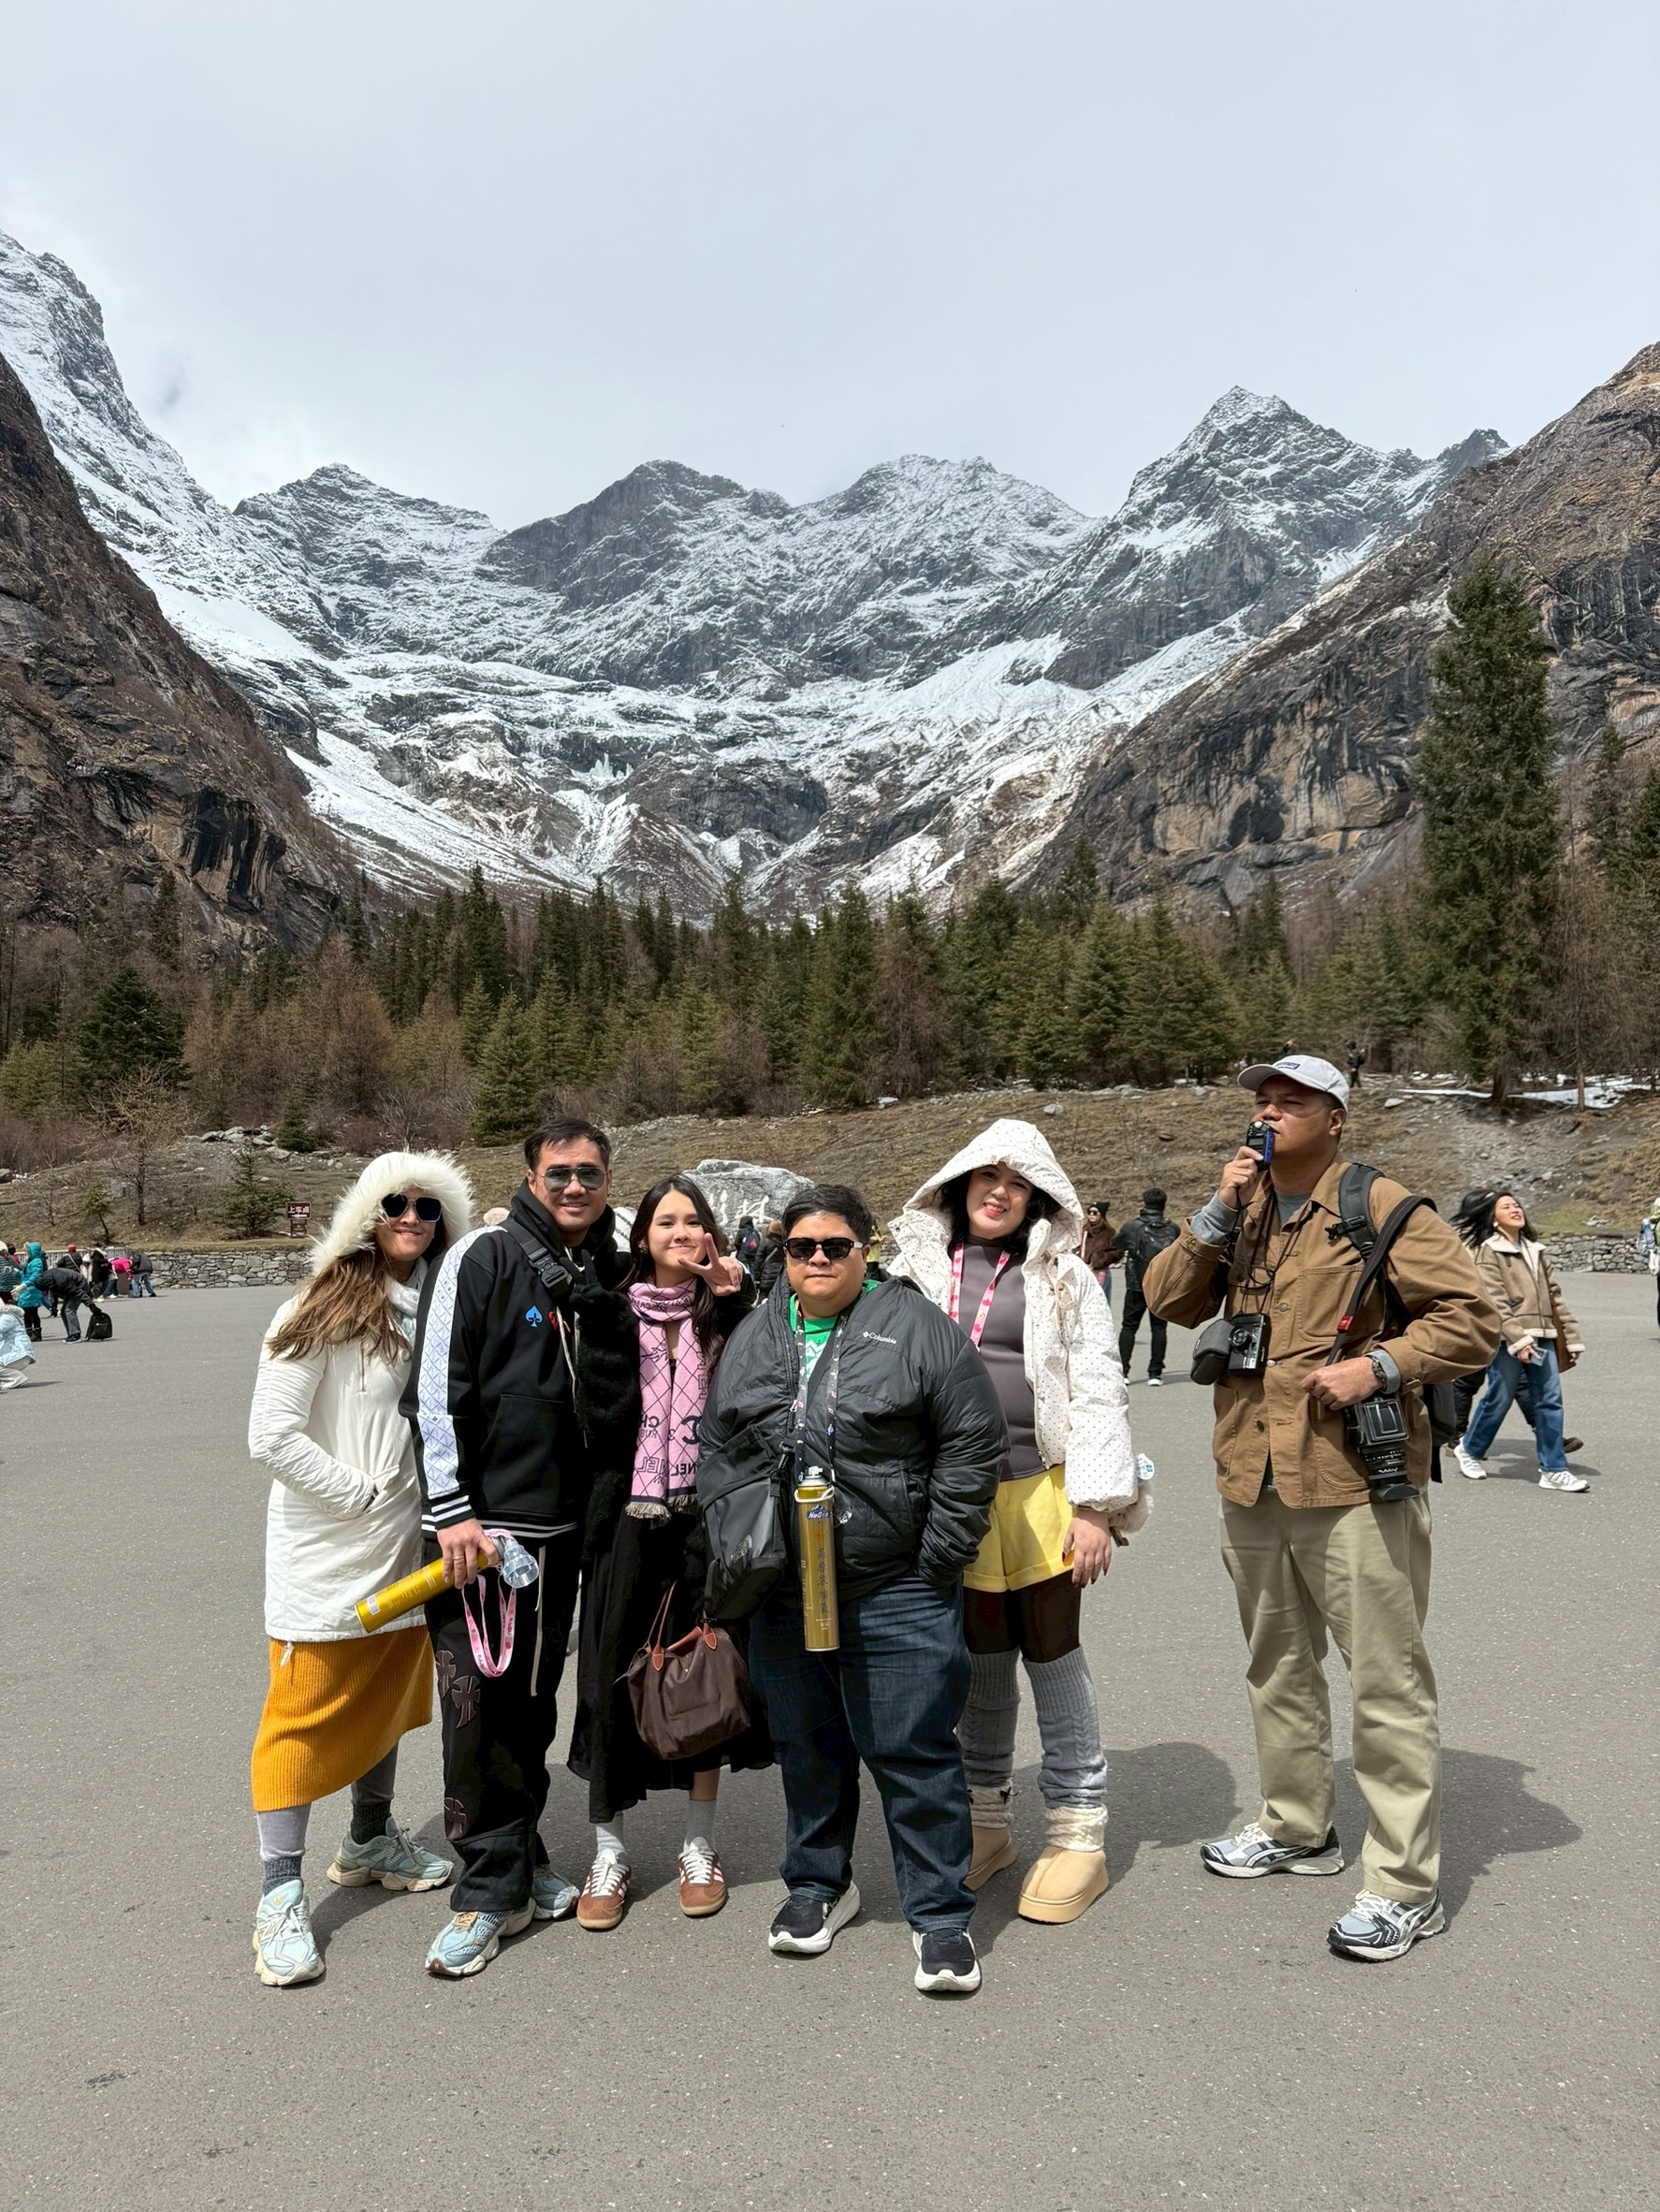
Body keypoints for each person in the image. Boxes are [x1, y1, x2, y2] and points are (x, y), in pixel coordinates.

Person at [1143, 1054, 1499, 1964]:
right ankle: (1297, 1827)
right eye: (1261, 1101)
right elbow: (1166, 1300)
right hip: (1252, 1474)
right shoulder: (1245, 1211)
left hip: (1352, 1482)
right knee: (1277, 1665)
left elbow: (1472, 1318)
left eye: (1289, 1102)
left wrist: (1377, 1366)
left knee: (1386, 1682)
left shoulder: (1381, 1206)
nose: (1268, 1113)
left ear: (1335, 1117)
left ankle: (1404, 1887)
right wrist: (1216, 1211)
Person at [698, 1184, 1007, 1997]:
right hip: (784, 1585)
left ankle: (940, 1916)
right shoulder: (758, 1331)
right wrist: (737, 1543)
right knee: (808, 1747)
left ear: (864, 1250)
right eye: (802, 1247)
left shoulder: (917, 1328)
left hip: (894, 1582)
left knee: (913, 1750)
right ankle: (818, 1885)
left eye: (836, 1246)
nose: (819, 1260)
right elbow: (719, 1442)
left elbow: (972, 1444)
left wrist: (938, 1557)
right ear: (783, 1254)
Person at [887, 1124, 1149, 1927]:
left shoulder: (1065, 1276)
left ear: (1037, 1195)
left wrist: (1096, 1506)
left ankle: (1078, 1831)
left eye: (1017, 1182)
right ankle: (986, 1822)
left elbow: (1098, 1385)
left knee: (1052, 1652)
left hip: (1042, 1491)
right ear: (959, 1182)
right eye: (986, 1177)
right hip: (952, 1497)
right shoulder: (910, 1270)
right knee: (982, 1659)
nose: (999, 1193)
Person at [406, 1115, 640, 1979]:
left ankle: (523, 1854)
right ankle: (484, 1893)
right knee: (479, 1710)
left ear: (608, 1181)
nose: (575, 1186)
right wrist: (452, 1511)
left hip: (566, 1530)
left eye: (590, 1174)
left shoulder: (604, 1267)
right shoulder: (485, 1256)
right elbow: (436, 1391)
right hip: (484, 1531)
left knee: (533, 1703)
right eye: (560, 1173)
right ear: (532, 1177)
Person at [245, 1151, 474, 1987]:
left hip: (407, 1553)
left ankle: (370, 1837)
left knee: (384, 1700)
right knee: (300, 1719)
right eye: (395, 1203)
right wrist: (360, 1492)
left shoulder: (437, 1308)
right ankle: (278, 1895)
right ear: (364, 1216)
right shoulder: (318, 1306)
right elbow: (271, 1435)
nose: (411, 1217)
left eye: (428, 1206)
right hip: (331, 1552)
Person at [567, 1175, 770, 1928]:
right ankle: (609, 1851)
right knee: (607, 1680)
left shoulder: (726, 1312)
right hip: (624, 1520)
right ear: (643, 1237)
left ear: (711, 1233)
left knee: (705, 1672)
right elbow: (599, 1423)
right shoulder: (612, 1310)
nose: (681, 1233)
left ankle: (698, 1843)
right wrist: (612, 1328)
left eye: (692, 1221)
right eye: (666, 1223)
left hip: (705, 1521)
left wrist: (736, 1300)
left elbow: (761, 1398)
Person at [1450, 1190, 1587, 1492]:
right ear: (1493, 1218)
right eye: (1506, 1207)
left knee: (1549, 1400)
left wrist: (1571, 1336)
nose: (1515, 1209)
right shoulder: (1488, 1251)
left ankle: (1554, 1469)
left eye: (1516, 1205)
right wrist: (1519, 1339)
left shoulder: (1536, 1250)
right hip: (1508, 1339)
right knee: (1499, 1397)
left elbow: (1555, 1297)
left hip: (1544, 1334)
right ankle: (1469, 1449)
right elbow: (1496, 1301)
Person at [1115, 1188, 1179, 1385]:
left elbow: (1116, 1244)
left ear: (1144, 1204)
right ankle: (1155, 1373)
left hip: (1136, 1284)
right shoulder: (1173, 1229)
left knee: (1129, 1327)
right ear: (1163, 1205)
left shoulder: (1133, 1226)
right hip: (1161, 1286)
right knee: (1159, 1329)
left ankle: (1123, 1372)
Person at [1081, 1201, 1117, 1311]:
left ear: (1101, 1214)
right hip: (1082, 1272)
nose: (1091, 1215)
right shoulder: (1083, 1230)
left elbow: (1117, 1252)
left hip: (1101, 1272)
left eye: (1095, 1212)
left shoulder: (1109, 1232)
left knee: (1101, 1306)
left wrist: (1100, 1260)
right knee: (1083, 1306)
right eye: (1089, 1212)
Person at [15, 1242, 47, 1340]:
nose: (26, 1253)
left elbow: (35, 1276)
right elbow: (25, 1276)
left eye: (27, 1251)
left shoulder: (37, 1261)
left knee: (33, 1313)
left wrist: (25, 1285)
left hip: (32, 1290)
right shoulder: (30, 1261)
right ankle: (30, 1333)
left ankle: (36, 1333)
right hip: (27, 1290)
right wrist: (15, 1272)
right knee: (26, 1313)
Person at [0, 1298, 34, 1388]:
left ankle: (17, 1378)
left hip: (19, 1355)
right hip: (16, 1353)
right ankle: (8, 1380)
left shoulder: (6, 1317)